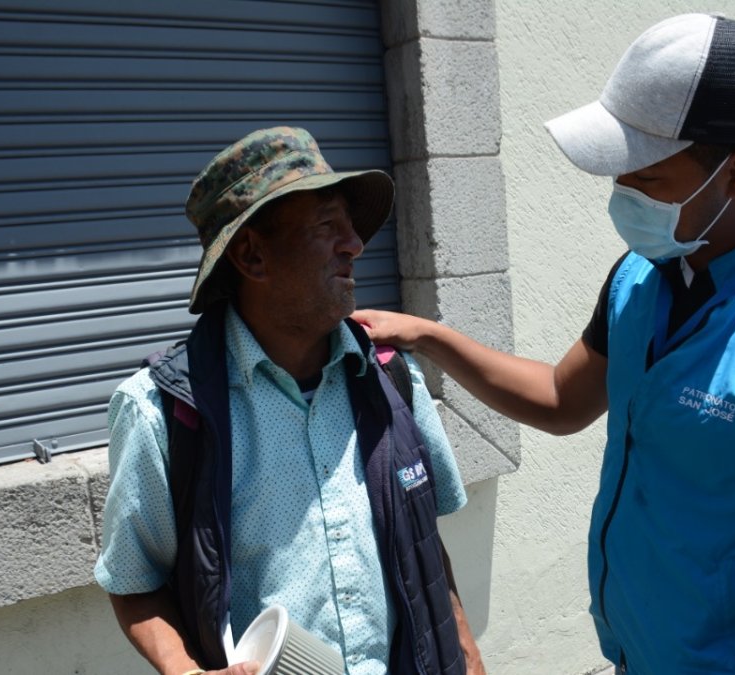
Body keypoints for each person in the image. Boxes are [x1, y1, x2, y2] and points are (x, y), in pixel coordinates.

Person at [354, 14, 735, 674]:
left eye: (646, 178)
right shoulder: (644, 276)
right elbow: (561, 397)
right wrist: (429, 336)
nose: (622, 194)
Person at [95, 126, 485, 675]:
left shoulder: (390, 379)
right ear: (252, 256)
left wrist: (467, 654)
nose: (355, 244)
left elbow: (423, 545)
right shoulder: (165, 414)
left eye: (352, 226)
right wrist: (184, 671)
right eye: (328, 225)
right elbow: (135, 584)